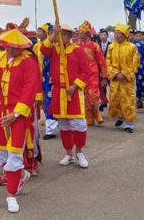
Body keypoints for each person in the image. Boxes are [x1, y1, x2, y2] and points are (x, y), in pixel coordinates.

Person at [0, 29, 40, 212]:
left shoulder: (28, 63)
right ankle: (20, 174)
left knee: (14, 154)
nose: (11, 50)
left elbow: (30, 90)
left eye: (15, 47)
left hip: (18, 114)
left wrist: (15, 114)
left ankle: (11, 194)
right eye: (8, 46)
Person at [39, 24, 92, 168]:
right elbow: (43, 49)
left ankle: (79, 152)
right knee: (64, 125)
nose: (60, 37)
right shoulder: (54, 50)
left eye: (63, 34)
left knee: (79, 124)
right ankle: (68, 154)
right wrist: (52, 35)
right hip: (58, 92)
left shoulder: (78, 51)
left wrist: (75, 86)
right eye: (58, 34)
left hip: (73, 93)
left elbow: (86, 72)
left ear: (69, 36)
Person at [106, 25, 139, 133]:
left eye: (119, 33)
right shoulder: (111, 47)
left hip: (126, 80)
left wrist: (125, 74)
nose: (116, 35)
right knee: (115, 99)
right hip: (115, 79)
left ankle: (129, 124)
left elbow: (134, 63)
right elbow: (107, 62)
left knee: (128, 100)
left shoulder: (132, 47)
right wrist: (115, 73)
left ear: (125, 35)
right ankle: (120, 117)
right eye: (115, 33)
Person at [77, 21, 107, 126]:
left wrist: (104, 77)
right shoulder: (76, 46)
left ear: (87, 34)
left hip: (93, 73)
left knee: (93, 93)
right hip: (80, 73)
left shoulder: (94, 46)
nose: (79, 35)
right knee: (84, 95)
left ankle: (97, 114)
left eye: (81, 33)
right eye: (78, 33)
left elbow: (102, 62)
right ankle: (89, 117)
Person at [33, 23, 57, 140]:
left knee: (50, 103)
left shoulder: (54, 46)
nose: (37, 33)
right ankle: (50, 122)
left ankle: (51, 129)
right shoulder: (36, 46)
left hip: (51, 78)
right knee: (42, 102)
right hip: (40, 78)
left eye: (40, 31)